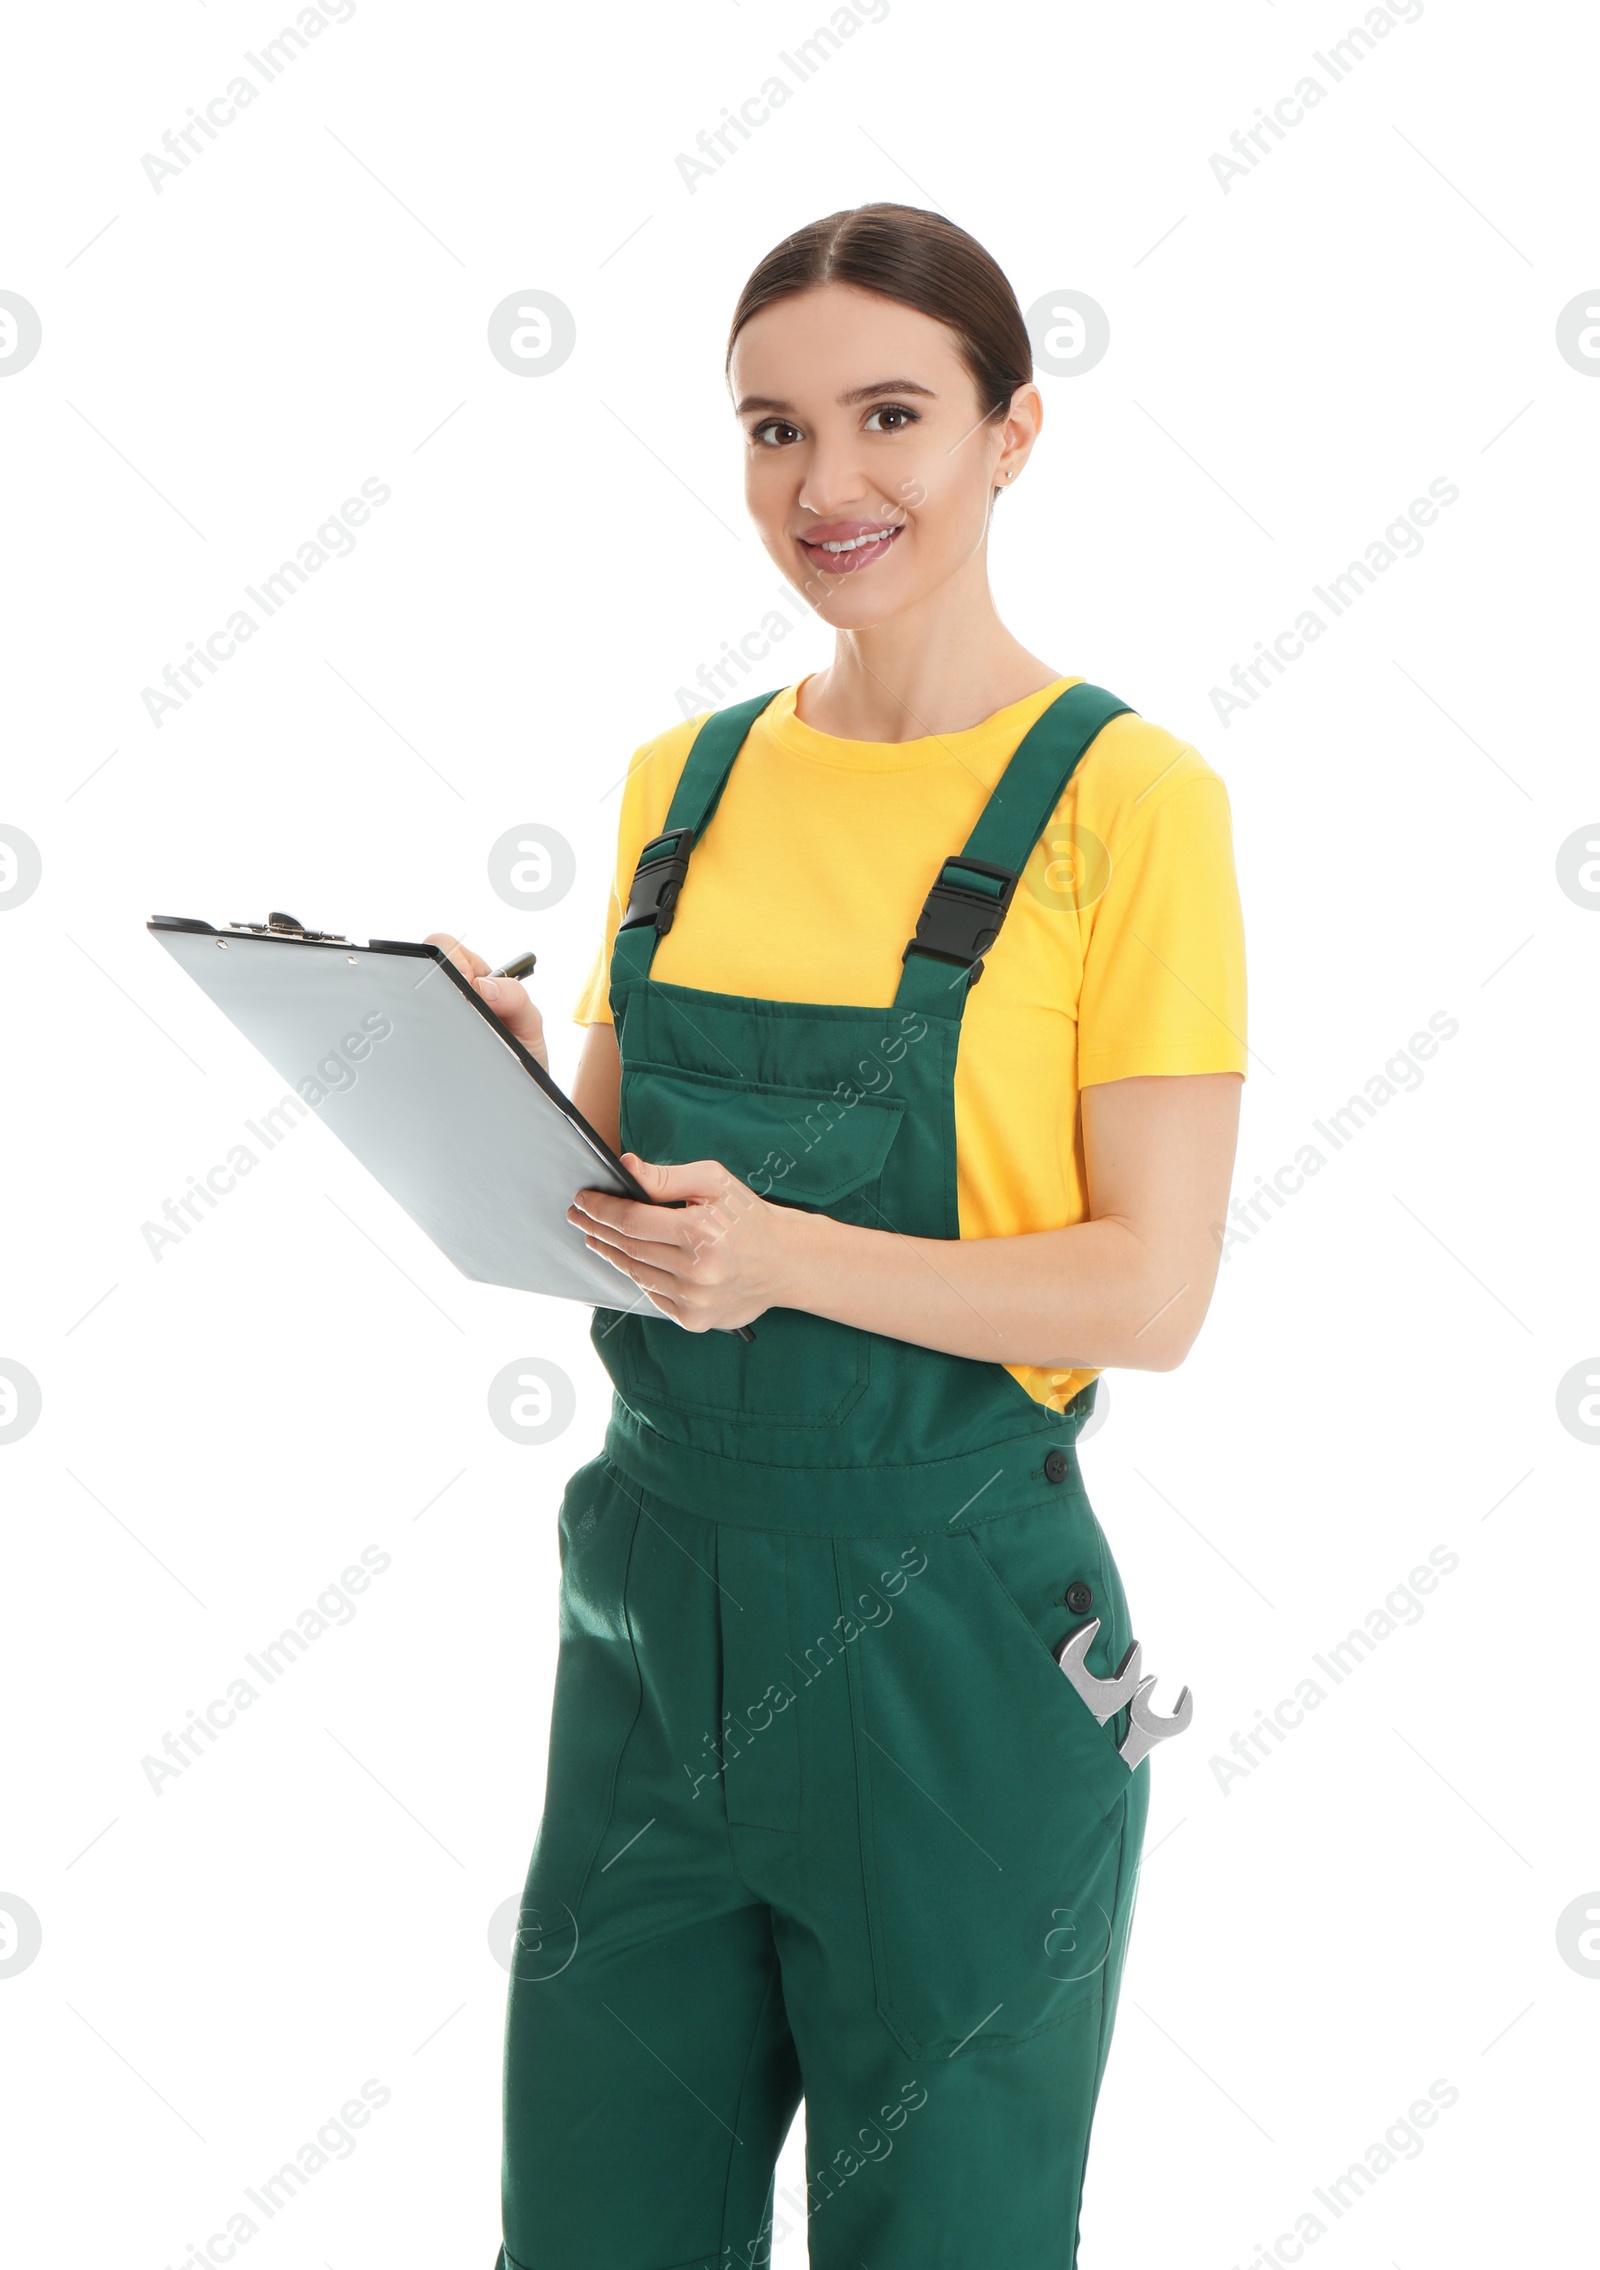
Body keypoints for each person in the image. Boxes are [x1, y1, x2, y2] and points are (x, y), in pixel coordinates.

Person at [434, 201, 1246, 2270]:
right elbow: (607, 1215)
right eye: (770, 429)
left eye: (890, 415)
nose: (826, 484)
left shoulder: (1122, 803)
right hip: (646, 1610)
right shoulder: (681, 785)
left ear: (1012, 430)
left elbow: (1145, 1288)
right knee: (592, 2227)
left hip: (949, 1635)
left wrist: (787, 1253)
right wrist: (477, 1066)